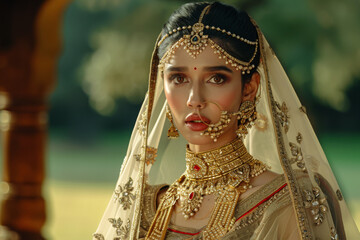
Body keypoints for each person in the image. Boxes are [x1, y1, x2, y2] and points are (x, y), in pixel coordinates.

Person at [93, 2, 359, 239]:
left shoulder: (286, 204)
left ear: (249, 88)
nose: (194, 99)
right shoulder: (143, 206)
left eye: (216, 78)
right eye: (179, 78)